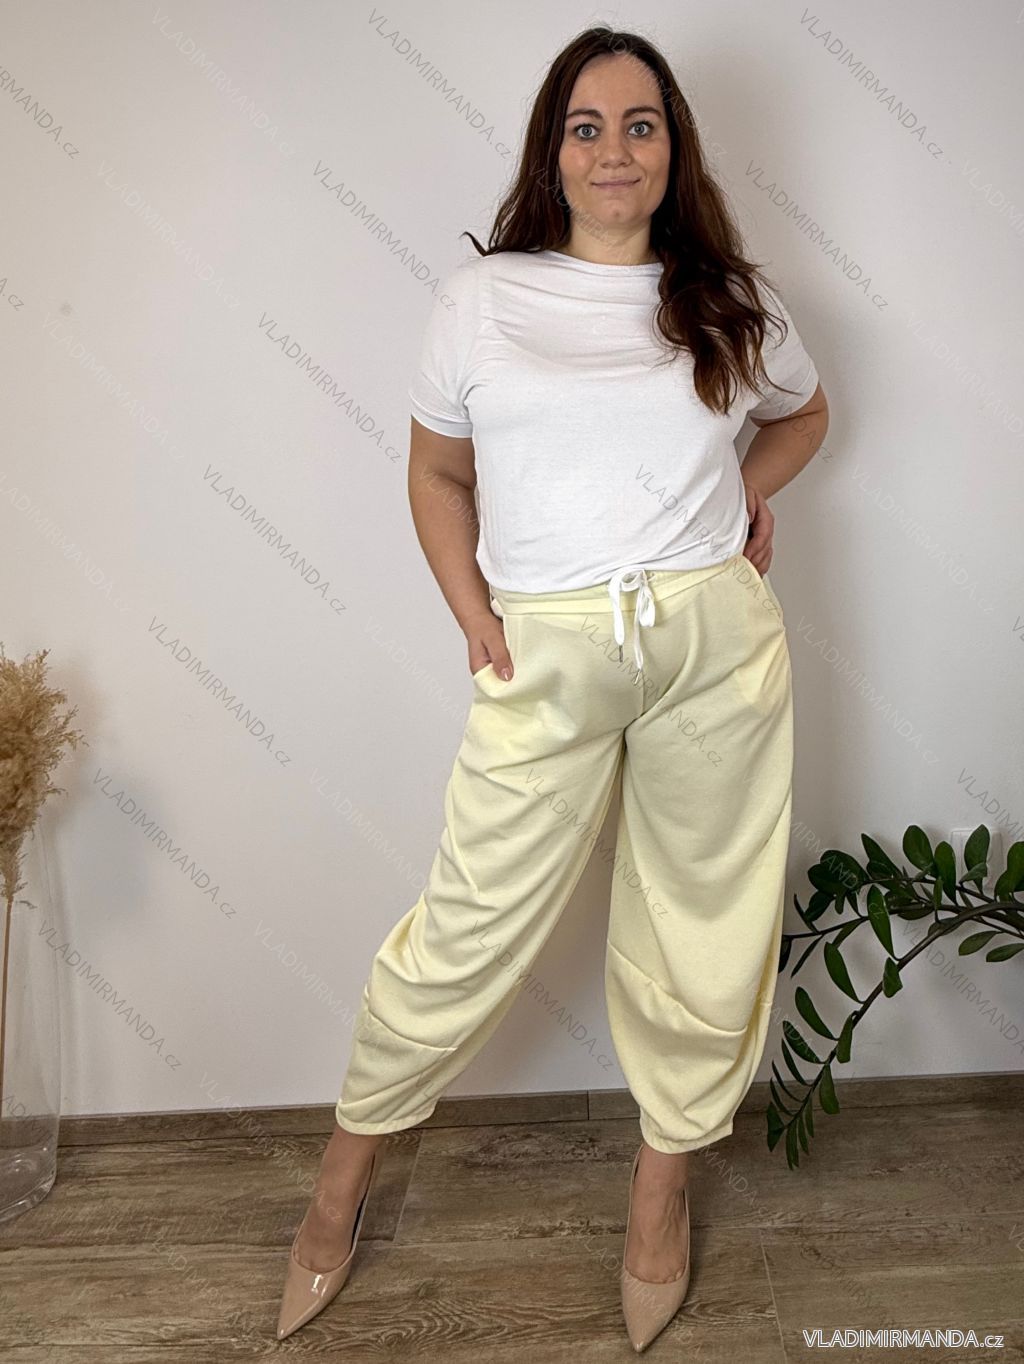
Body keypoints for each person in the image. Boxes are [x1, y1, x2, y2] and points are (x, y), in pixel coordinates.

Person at [277, 23, 828, 1352]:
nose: (615, 150)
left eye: (642, 124)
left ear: (675, 148)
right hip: (549, 650)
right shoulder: (486, 299)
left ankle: (659, 1195)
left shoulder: (725, 298)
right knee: (467, 925)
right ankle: (338, 1186)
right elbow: (436, 470)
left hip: (713, 645)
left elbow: (807, 413)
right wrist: (473, 612)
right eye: (588, 126)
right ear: (553, 150)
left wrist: (740, 495)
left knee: (704, 924)